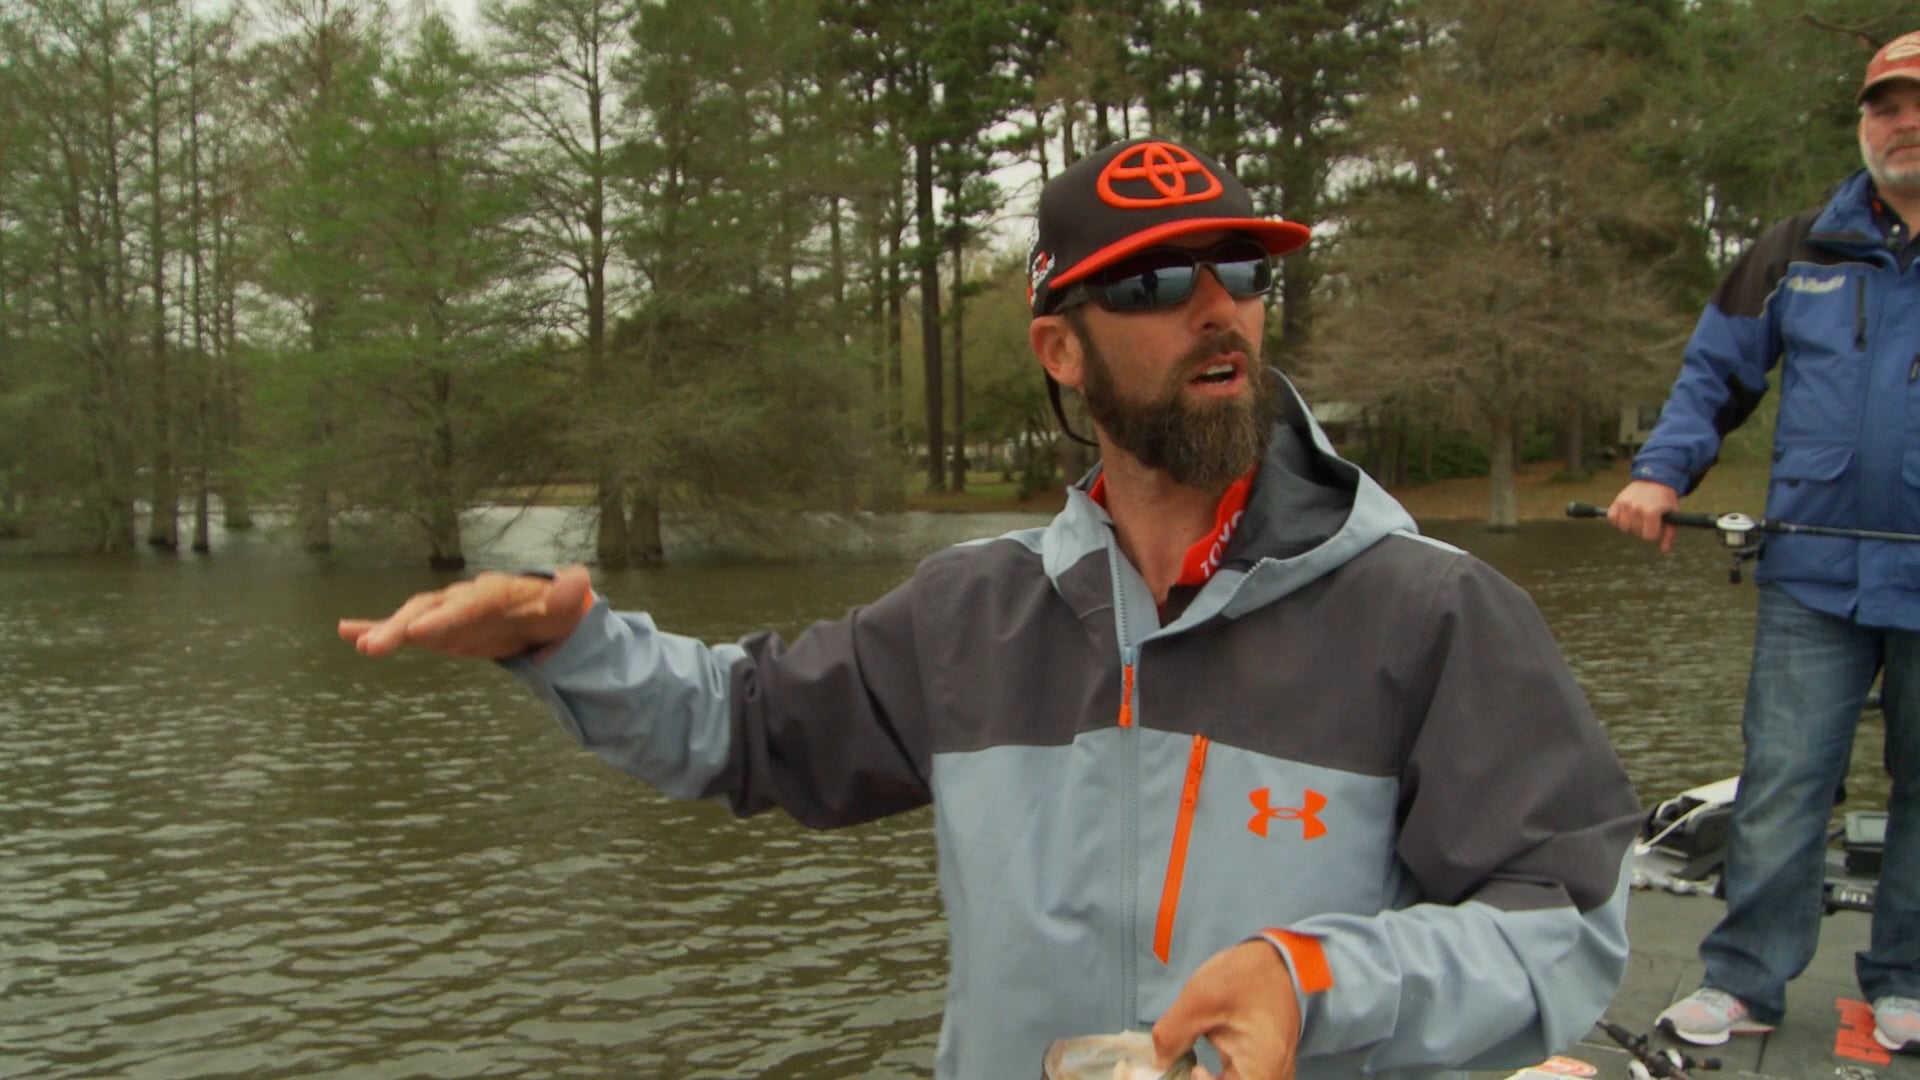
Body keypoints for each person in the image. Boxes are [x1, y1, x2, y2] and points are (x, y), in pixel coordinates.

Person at [342, 136, 1641, 1080]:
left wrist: (1318, 980)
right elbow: (745, 725)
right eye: (1146, 284)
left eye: (1237, 267)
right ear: (1060, 350)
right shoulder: (972, 617)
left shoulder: (1434, 615)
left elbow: (1568, 934)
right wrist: (564, 641)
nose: (1209, 305)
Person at [1605, 32, 1920, 1054]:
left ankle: (1908, 977)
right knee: (1784, 778)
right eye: (1885, 104)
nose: (1904, 122)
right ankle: (1743, 981)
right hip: (1813, 578)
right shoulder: (1799, 248)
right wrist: (1661, 472)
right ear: (1864, 123)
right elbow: (1715, 374)